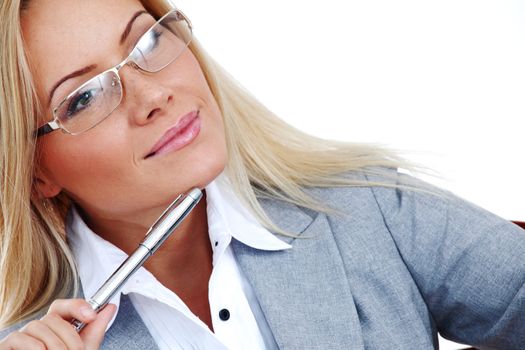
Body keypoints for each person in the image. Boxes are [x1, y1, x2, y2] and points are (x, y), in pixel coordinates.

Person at [0, 0, 524, 349]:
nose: (154, 96)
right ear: (34, 173)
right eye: (84, 98)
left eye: (149, 44)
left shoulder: (371, 209)